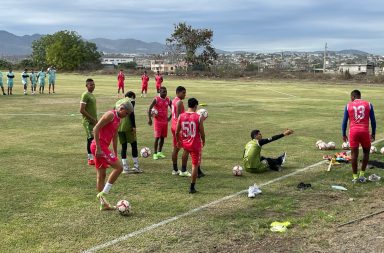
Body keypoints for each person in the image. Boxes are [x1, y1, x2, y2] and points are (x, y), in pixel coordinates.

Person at [91, 101, 134, 210]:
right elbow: (96, 128)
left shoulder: (118, 119)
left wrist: (115, 152)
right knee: (119, 167)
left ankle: (103, 204)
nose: (126, 116)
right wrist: (99, 148)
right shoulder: (110, 115)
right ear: (122, 108)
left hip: (103, 147)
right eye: (127, 113)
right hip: (99, 146)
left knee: (101, 175)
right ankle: (103, 193)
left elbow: (115, 136)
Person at [342, 89, 376, 183]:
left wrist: (343, 134)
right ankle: (362, 175)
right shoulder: (368, 104)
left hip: (353, 132)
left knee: (354, 155)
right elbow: (373, 121)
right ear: (360, 96)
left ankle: (355, 177)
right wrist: (373, 133)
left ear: (353, 97)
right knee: (366, 153)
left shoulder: (348, 105)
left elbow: (344, 121)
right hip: (365, 131)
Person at [175, 98, 205, 194]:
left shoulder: (181, 116)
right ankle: (192, 187)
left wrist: (179, 141)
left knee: (185, 152)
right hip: (195, 144)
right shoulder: (198, 117)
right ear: (196, 106)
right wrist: (203, 140)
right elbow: (202, 132)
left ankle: (183, 169)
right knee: (194, 165)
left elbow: (176, 131)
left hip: (185, 143)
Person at [115, 91, 142, 173]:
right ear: (132, 96)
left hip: (119, 127)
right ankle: (136, 166)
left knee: (124, 146)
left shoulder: (118, 102)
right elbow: (131, 114)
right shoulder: (131, 101)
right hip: (128, 126)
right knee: (134, 144)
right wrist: (133, 126)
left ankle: (125, 168)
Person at [148, 86, 171, 160]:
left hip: (165, 122)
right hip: (158, 122)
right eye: (163, 92)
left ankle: (159, 152)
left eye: (166, 91)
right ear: (159, 92)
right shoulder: (156, 99)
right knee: (157, 137)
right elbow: (150, 108)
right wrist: (150, 119)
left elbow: (173, 108)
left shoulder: (168, 100)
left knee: (162, 137)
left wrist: (170, 117)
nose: (165, 93)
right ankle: (155, 153)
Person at [171, 86, 190, 176]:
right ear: (178, 93)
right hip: (179, 128)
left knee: (176, 148)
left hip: (173, 126)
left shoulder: (173, 100)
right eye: (183, 93)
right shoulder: (179, 102)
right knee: (186, 149)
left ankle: (175, 170)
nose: (185, 94)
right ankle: (183, 170)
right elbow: (179, 117)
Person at [80, 79, 98, 166]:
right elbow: (81, 110)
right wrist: (91, 119)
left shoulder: (92, 95)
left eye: (93, 84)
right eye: (90, 85)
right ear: (86, 86)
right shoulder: (85, 95)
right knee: (90, 139)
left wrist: (95, 119)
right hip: (87, 122)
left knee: (94, 139)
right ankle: (90, 159)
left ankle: (94, 157)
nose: (92, 86)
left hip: (93, 121)